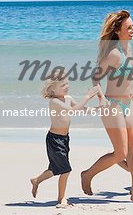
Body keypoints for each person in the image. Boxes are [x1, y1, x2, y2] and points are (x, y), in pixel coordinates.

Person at [80, 10, 133, 203]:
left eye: (132, 26)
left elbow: (129, 73)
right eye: (129, 27)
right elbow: (95, 78)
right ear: (118, 31)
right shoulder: (113, 54)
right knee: (121, 153)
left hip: (128, 104)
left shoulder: (128, 49)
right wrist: (101, 98)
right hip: (112, 105)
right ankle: (87, 174)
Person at [30, 71, 100, 208]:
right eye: (62, 85)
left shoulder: (68, 97)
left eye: (67, 83)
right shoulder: (55, 101)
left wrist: (97, 109)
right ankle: (61, 198)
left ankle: (36, 180)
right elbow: (72, 110)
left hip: (65, 139)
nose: (66, 86)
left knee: (55, 169)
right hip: (54, 139)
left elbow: (81, 109)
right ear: (52, 89)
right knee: (65, 170)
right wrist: (86, 97)